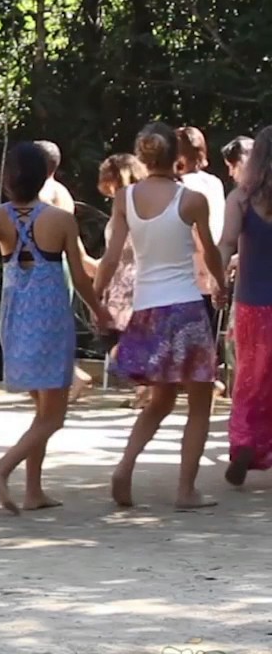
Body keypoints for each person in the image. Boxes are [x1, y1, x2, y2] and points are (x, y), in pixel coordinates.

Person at [0, 143, 109, 514]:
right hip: (52, 321)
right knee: (53, 416)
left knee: (41, 411)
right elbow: (82, 282)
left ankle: (34, 490)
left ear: (7, 180)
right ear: (46, 176)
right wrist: (100, 311)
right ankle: (2, 470)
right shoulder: (61, 219)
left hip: (16, 319)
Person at [95, 122, 227, 510]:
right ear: (179, 159)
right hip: (185, 308)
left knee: (159, 400)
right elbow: (211, 251)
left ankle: (124, 466)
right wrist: (220, 283)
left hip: (148, 308)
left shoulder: (126, 199)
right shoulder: (190, 201)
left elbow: (112, 255)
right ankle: (186, 490)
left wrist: (98, 297)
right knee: (200, 402)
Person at [217, 126, 272, 486]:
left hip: (253, 302)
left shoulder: (240, 198)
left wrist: (218, 282)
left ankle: (243, 444)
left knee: (249, 377)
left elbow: (225, 244)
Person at [88, 154, 150, 409]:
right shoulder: (151, 202)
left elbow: (113, 256)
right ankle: (146, 388)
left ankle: (146, 385)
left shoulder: (123, 206)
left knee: (113, 339)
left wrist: (96, 292)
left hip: (123, 282)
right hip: (145, 277)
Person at [34, 139, 94, 401]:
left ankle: (73, 376)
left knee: (42, 329)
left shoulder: (45, 191)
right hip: (59, 265)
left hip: (48, 266)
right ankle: (60, 380)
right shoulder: (62, 190)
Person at [177, 126, 227, 337]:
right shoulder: (214, 183)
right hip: (213, 272)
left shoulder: (180, 186)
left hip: (185, 280)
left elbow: (197, 232)